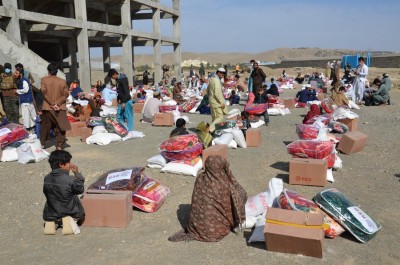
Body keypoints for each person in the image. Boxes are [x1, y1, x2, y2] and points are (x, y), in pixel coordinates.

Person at [168, 155, 247, 242]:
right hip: (217, 232)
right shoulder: (223, 183)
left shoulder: (200, 178)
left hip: (197, 227)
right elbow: (237, 198)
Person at [43, 150, 85, 235]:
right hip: (70, 210)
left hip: (52, 212)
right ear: (61, 165)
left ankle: (52, 221)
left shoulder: (47, 178)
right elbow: (80, 189)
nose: (70, 164)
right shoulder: (70, 179)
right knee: (75, 196)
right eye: (68, 162)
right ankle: (69, 219)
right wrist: (77, 174)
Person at [40, 63, 71, 150]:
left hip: (47, 108)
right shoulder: (62, 81)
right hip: (60, 107)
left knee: (45, 126)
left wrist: (52, 104)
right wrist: (57, 103)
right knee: (60, 127)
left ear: (48, 71)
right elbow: (66, 94)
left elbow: (44, 93)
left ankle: (42, 144)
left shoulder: (44, 80)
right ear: (57, 71)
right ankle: (59, 146)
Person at [15, 66, 36, 131]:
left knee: (26, 115)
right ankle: (31, 127)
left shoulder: (23, 80)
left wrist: (17, 91)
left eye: (16, 73)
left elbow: (26, 89)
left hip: (25, 101)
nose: (15, 74)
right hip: (27, 100)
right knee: (30, 115)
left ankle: (27, 128)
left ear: (21, 74)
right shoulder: (21, 80)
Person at [207, 68, 228, 132]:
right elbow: (217, 93)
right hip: (216, 102)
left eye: (224, 74)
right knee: (220, 117)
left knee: (215, 118)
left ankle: (212, 132)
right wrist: (222, 102)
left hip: (212, 100)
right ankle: (209, 129)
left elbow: (208, 90)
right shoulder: (216, 80)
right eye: (222, 74)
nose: (223, 75)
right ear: (218, 73)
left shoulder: (211, 79)